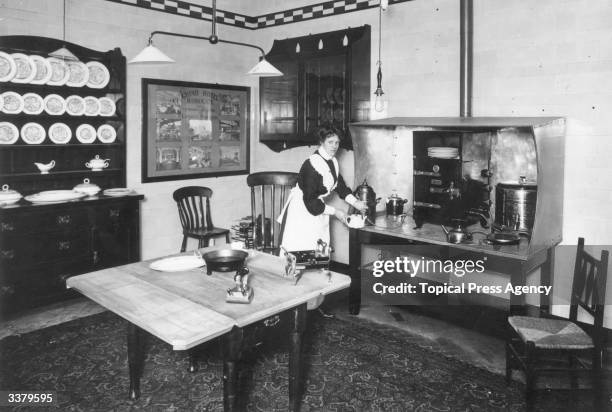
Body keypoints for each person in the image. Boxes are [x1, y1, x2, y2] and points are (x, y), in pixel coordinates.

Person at [277, 125, 368, 316]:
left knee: (318, 254)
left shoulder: (332, 162)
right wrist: (337, 213)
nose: (335, 146)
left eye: (337, 142)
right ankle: (289, 307)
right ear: (321, 142)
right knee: (299, 255)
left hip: (318, 210)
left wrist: (356, 202)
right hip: (302, 214)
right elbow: (310, 202)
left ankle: (312, 305)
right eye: (330, 142)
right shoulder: (311, 165)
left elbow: (340, 187)